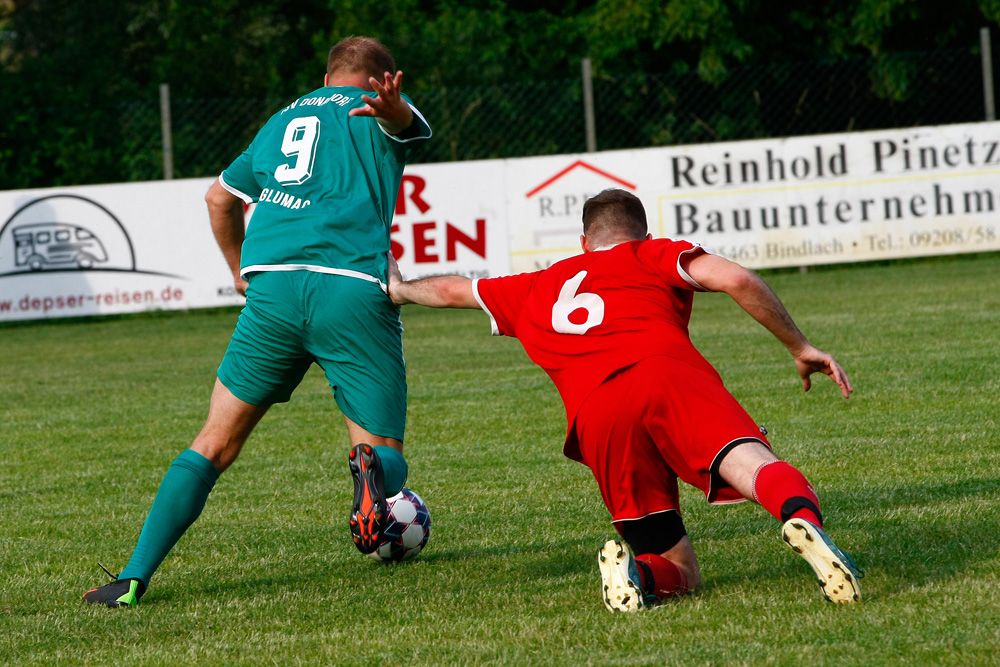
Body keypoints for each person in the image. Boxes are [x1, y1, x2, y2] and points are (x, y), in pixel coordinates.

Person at [387, 188, 864, 611]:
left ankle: (638, 577)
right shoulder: (650, 255)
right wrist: (800, 347)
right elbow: (737, 279)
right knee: (752, 466)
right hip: (665, 375)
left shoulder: (535, 284)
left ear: (583, 244)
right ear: (643, 234)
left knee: (676, 565)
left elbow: (451, 291)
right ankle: (805, 524)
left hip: (596, 415)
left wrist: (400, 288)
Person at [83, 36, 432, 608]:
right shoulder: (377, 106)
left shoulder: (279, 121)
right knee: (383, 446)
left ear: (326, 76)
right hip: (348, 286)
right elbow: (401, 122)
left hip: (271, 288)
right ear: (380, 78)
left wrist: (239, 274)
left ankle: (132, 578)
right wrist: (395, 110)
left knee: (214, 443)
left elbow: (218, 199)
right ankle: (372, 476)